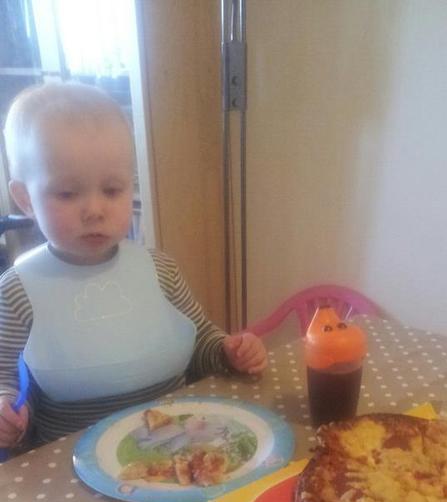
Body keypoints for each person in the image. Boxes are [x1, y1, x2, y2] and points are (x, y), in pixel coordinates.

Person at [0, 82, 267, 450]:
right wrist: (8, 413)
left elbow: (201, 341)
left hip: (180, 449)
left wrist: (228, 351)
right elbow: (7, 377)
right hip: (71, 466)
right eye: (67, 193)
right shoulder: (17, 292)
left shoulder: (160, 271)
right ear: (25, 199)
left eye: (112, 190)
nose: (95, 210)